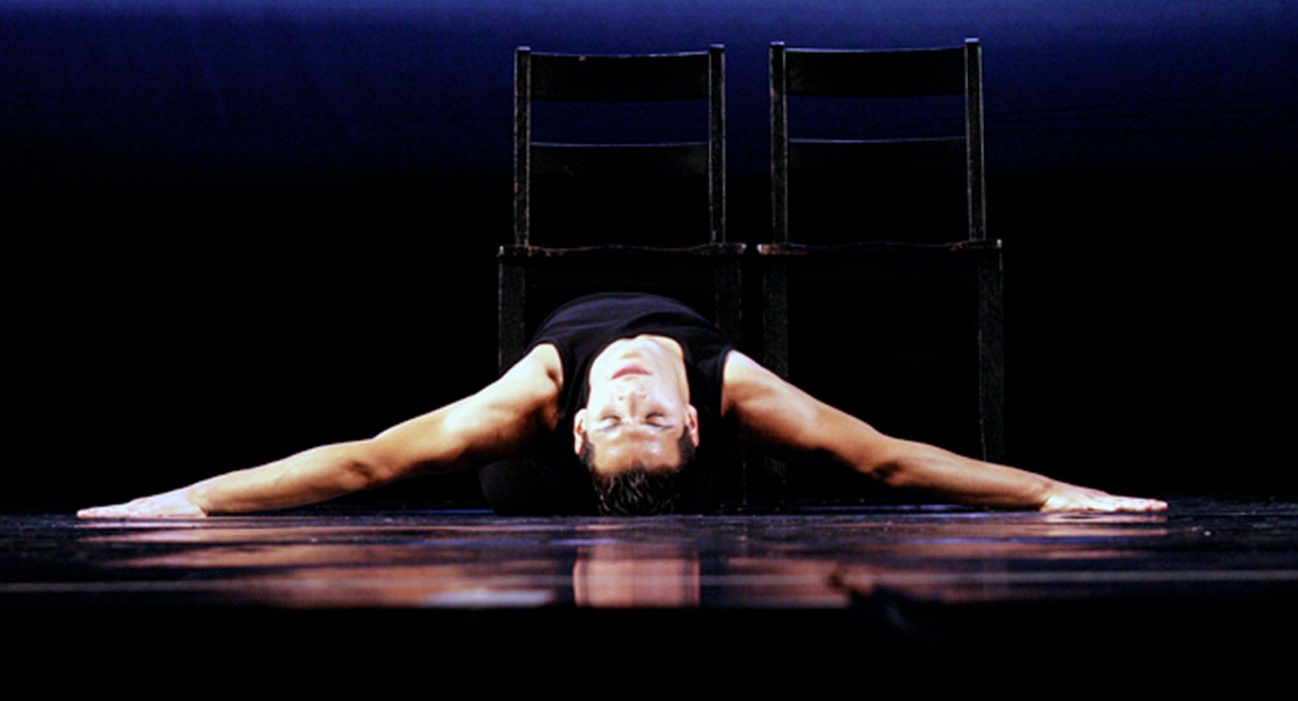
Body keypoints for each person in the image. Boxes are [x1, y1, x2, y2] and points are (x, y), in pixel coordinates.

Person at [79, 292, 1166, 518]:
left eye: (626, 416)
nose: (633, 397)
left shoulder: (542, 397)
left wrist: (183, 501)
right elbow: (884, 458)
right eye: (640, 415)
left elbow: (361, 462)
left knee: (465, 457)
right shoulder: (726, 390)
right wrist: (1054, 493)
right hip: (541, 473)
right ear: (695, 426)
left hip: (536, 465)